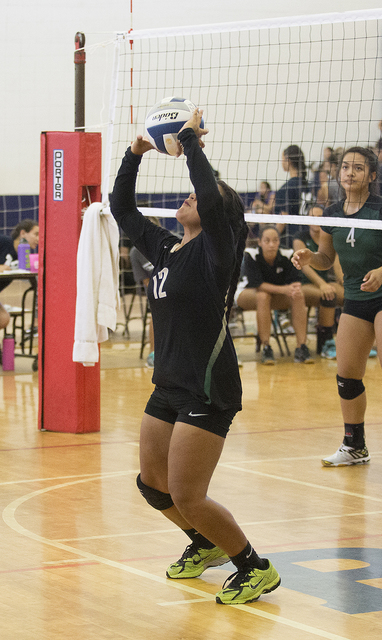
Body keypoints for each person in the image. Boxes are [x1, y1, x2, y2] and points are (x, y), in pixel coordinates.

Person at [110, 108, 281, 605]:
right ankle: (204, 544)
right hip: (169, 384)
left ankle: (254, 567)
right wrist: (136, 152)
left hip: (209, 386)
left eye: (201, 198)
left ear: (216, 215)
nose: (188, 197)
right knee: (152, 485)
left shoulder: (216, 253)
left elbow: (208, 193)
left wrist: (191, 144)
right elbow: (122, 209)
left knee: (188, 494)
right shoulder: (166, 249)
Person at [292, 146, 382, 467]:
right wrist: (309, 259)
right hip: (357, 299)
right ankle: (354, 446)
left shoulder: (380, 208)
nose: (349, 173)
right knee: (347, 376)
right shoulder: (333, 212)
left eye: (358, 168)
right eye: (345, 167)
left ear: (372, 175)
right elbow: (326, 258)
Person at [235, 225, 314, 365]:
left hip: (275, 295)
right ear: (259, 242)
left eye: (275, 240)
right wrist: (284, 290)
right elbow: (258, 285)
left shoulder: (288, 254)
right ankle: (266, 347)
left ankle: (301, 347)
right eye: (267, 240)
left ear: (279, 241)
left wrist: (291, 290)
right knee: (263, 296)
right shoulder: (250, 254)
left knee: (298, 294)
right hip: (247, 293)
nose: (271, 244)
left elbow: (295, 283)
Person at [293, 207, 344, 359]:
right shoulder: (300, 237)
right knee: (329, 295)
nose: (316, 219)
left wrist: (343, 280)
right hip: (304, 284)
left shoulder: (329, 237)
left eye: (319, 216)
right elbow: (305, 266)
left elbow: (336, 262)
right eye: (312, 216)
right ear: (307, 219)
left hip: (325, 282)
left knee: (351, 295)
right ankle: (325, 343)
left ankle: (354, 343)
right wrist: (321, 284)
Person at [0, 219, 39, 331]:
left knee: (3, 318)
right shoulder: (4, 242)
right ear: (22, 233)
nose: (38, 239)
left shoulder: (23, 258)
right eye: (35, 234)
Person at [274, 145, 309, 249]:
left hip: (290, 239)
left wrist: (273, 237)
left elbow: (283, 219)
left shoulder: (286, 188)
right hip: (309, 236)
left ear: (288, 160)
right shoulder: (308, 185)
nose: (281, 163)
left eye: (282, 159)